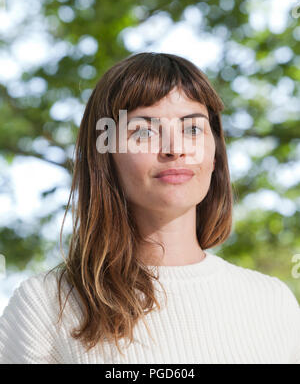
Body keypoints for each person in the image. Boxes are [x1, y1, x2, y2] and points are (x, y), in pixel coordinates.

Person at [0, 52, 299, 364]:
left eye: (192, 129)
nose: (174, 149)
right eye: (143, 131)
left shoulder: (275, 303)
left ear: (216, 153)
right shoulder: (46, 306)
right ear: (106, 155)